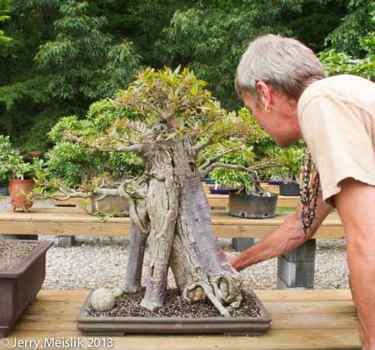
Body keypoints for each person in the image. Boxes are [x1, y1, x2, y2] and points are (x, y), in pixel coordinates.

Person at [232, 34, 375, 350]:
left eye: (252, 110)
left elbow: (367, 240)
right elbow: (301, 223)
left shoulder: (322, 103)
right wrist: (233, 265)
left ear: (265, 93)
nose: (259, 125)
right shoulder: (340, 96)